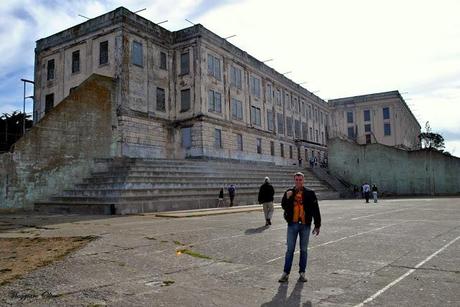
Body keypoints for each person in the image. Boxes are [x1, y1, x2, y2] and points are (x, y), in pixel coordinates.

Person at [278, 172, 321, 283]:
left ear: (303, 180)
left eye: (300, 179)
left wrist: (317, 225)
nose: (298, 181)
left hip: (305, 225)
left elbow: (316, 209)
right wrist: (287, 198)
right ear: (294, 180)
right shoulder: (289, 192)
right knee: (289, 250)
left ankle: (302, 273)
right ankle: (285, 273)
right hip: (292, 224)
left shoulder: (310, 193)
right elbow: (284, 206)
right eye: (296, 179)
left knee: (303, 250)